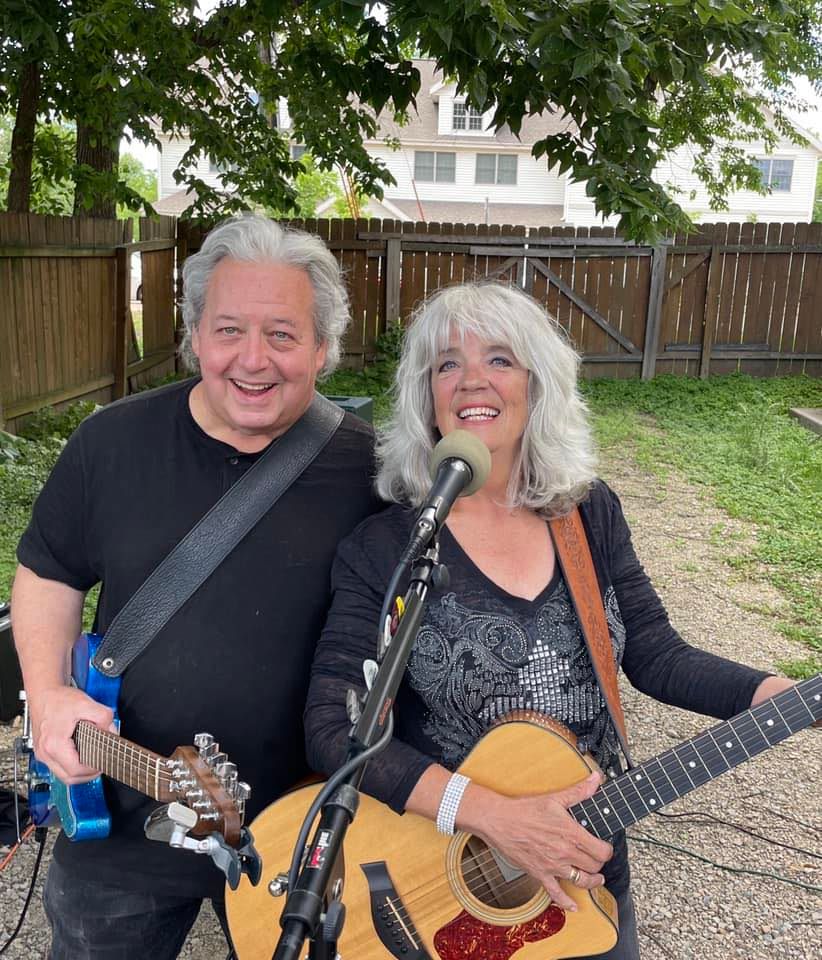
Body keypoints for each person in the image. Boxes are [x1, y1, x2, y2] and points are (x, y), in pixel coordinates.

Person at [304, 281, 799, 960]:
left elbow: (653, 652)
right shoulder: (388, 546)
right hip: (437, 870)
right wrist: (491, 816)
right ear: (427, 398)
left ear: (540, 387)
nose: (472, 379)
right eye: (447, 364)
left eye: (501, 359)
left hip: (582, 862)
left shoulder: (588, 515)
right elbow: (335, 726)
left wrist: (776, 695)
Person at [12, 215, 381, 959]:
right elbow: (47, 571)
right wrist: (49, 695)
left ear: (323, 348)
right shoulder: (110, 444)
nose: (253, 360)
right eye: (228, 330)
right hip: (125, 806)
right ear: (194, 336)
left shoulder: (376, 472)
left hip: (309, 824)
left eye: (282, 335)